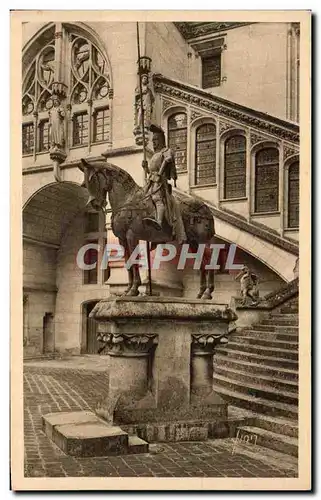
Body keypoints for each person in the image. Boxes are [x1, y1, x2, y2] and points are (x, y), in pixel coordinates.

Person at [142, 125, 186, 243]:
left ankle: (159, 222)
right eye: (153, 141)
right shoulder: (154, 155)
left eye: (156, 140)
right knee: (142, 198)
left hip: (161, 182)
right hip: (151, 181)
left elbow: (168, 161)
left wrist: (159, 174)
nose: (154, 143)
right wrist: (146, 167)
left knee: (157, 198)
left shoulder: (167, 151)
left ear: (161, 140)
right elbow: (150, 171)